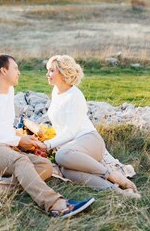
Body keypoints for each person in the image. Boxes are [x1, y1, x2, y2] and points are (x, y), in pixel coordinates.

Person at [0, 53, 95, 218]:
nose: (19, 72)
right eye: (15, 68)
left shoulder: (9, 91)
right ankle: (56, 205)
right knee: (21, 160)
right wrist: (18, 140)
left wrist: (20, 139)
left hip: (1, 147)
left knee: (45, 166)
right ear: (3, 71)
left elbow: (3, 126)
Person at [43, 55, 140, 198]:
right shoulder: (56, 92)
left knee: (62, 155)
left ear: (63, 73)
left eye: (51, 71)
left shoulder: (74, 96)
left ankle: (113, 176)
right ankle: (117, 191)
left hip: (89, 140)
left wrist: (46, 145)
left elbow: (71, 131)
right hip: (72, 148)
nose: (47, 74)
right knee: (67, 171)